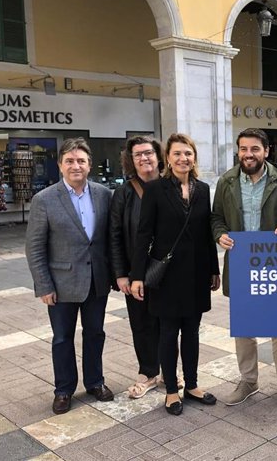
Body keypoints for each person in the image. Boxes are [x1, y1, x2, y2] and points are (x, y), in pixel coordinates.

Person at [130, 134, 221, 416]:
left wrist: (214, 269)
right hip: (166, 275)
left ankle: (191, 385)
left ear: (194, 158)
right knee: (168, 333)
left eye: (188, 154)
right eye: (178, 154)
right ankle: (171, 390)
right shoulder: (156, 189)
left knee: (192, 332)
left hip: (195, 274)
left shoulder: (203, 189)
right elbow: (143, 233)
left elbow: (207, 233)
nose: (183, 159)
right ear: (168, 158)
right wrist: (137, 275)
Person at [211, 128, 277, 406]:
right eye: (243, 149)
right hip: (240, 264)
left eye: (254, 149)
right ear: (238, 151)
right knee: (244, 327)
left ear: (266, 151)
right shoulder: (226, 182)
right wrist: (220, 234)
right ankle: (248, 380)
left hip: (273, 264)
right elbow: (216, 218)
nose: (248, 154)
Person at [26, 137, 114, 415]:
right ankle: (64, 389)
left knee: (95, 333)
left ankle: (95, 382)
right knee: (62, 338)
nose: (76, 165)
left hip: (96, 281)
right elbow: (35, 247)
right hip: (61, 285)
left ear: (89, 165)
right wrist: (43, 285)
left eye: (81, 161)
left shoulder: (103, 194)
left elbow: (110, 240)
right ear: (60, 165)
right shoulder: (44, 199)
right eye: (70, 161)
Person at [110, 136, 174, 399]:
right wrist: (121, 274)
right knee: (141, 323)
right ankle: (148, 373)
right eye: (137, 155)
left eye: (148, 153)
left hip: (169, 272)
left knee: (168, 323)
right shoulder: (124, 192)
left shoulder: (173, 186)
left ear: (159, 156)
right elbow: (114, 234)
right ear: (130, 160)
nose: (144, 159)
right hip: (136, 273)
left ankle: (169, 372)